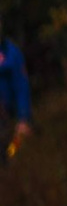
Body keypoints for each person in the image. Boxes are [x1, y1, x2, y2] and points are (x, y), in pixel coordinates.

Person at [0, 24, 29, 157]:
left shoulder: (12, 54)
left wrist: (23, 118)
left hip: (6, 119)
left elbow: (21, 87)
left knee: (11, 153)